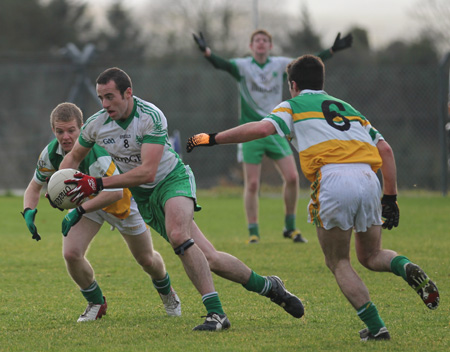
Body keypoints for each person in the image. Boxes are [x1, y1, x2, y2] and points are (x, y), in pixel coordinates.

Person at [186, 54, 440, 340]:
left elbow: (261, 129)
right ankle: (405, 266)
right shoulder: (348, 108)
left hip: (332, 180)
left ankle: (376, 326)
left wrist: (211, 137)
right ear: (322, 82)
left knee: (339, 262)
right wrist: (390, 197)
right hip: (369, 178)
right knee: (372, 255)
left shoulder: (292, 105)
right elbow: (386, 150)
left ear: (292, 84)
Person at [57, 67, 304, 331]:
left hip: (172, 181)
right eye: (101, 98)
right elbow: (73, 156)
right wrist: (61, 181)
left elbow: (148, 171)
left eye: (110, 97)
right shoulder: (96, 124)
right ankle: (269, 286)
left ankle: (216, 315)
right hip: (146, 198)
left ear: (128, 93)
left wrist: (96, 182)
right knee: (211, 258)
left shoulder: (150, 116)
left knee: (178, 235)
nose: (105, 104)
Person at [22, 102, 181, 322]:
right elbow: (33, 187)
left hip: (120, 204)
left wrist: (78, 211)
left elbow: (115, 194)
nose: (65, 137)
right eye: (60, 131)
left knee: (146, 259)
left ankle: (167, 292)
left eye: (71, 130)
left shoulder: (97, 154)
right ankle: (96, 302)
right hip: (87, 206)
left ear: (82, 129)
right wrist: (28, 211)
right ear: (53, 131)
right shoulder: (51, 153)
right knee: (71, 254)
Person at [193, 29, 353, 244]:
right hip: (251, 131)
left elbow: (309, 65)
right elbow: (220, 64)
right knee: (251, 184)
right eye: (257, 40)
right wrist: (206, 51)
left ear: (271, 46)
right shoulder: (242, 66)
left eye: (265, 40)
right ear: (251, 46)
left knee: (293, 178)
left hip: (275, 128)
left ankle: (290, 228)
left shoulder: (280, 64)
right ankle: (253, 232)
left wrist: (332, 50)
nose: (261, 43)